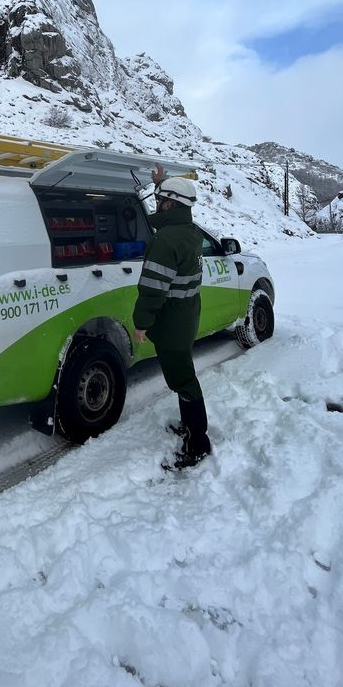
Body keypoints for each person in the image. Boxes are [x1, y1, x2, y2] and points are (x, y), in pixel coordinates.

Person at [133, 164, 211, 469]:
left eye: (161, 200)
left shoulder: (165, 240)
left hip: (172, 322)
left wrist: (141, 323)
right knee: (182, 375)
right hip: (186, 316)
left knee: (183, 379)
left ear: (169, 204)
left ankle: (198, 442)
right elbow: (170, 210)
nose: (157, 204)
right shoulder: (187, 231)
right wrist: (162, 183)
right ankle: (190, 426)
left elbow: (152, 289)